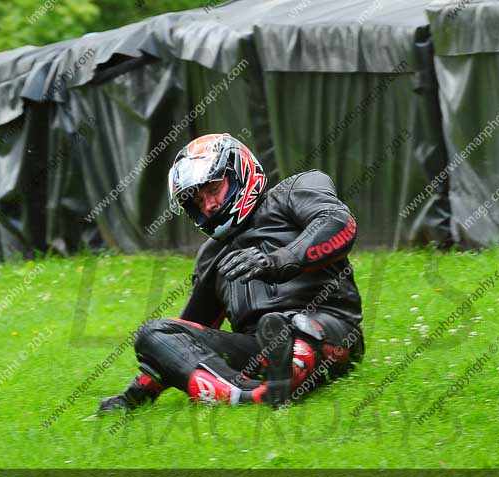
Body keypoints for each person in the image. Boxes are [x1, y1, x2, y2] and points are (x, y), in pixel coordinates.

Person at [99, 133, 363, 411]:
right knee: (153, 333)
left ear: (239, 171)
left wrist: (277, 261)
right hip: (256, 350)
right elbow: (188, 336)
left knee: (290, 330)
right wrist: (137, 393)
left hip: (329, 328)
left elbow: (339, 223)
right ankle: (253, 393)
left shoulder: (296, 189)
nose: (209, 205)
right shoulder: (211, 254)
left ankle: (288, 369)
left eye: (213, 189)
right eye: (198, 202)